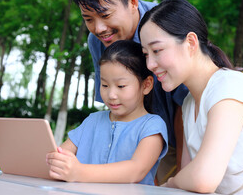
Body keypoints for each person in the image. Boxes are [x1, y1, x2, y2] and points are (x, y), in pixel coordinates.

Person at [139, 0, 243, 194]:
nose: (150, 65)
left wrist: (171, 183)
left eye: (156, 50)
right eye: (146, 54)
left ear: (190, 42)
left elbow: (202, 178)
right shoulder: (189, 104)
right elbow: (190, 176)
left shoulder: (228, 86)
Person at [68, 0, 188, 183]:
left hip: (178, 137)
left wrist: (182, 168)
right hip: (133, 138)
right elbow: (112, 100)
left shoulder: (164, 28)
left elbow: (184, 102)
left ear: (133, 2)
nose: (99, 29)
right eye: (88, 19)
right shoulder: (97, 41)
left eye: (105, 15)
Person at [46, 40, 168, 185]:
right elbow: (60, 155)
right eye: (104, 85)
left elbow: (135, 171)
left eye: (121, 86)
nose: (111, 94)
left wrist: (78, 172)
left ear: (146, 85)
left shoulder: (152, 126)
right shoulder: (92, 121)